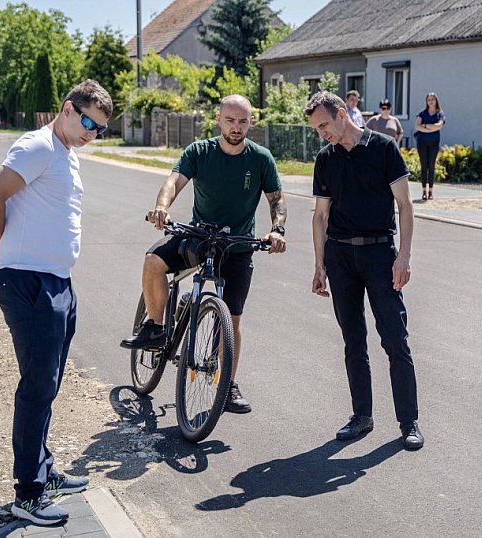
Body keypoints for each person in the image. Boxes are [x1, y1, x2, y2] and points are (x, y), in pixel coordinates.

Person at [0, 80, 113, 525]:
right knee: (37, 387)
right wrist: (0, 243)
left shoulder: (65, 153)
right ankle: (28, 494)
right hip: (29, 281)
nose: (93, 132)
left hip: (56, 281)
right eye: (89, 122)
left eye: (101, 129)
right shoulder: (38, 146)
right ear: (68, 109)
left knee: (48, 383)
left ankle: (44, 470)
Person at [120, 94, 287, 414]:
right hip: (198, 236)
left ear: (251, 121)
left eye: (242, 121)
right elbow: (173, 182)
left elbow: (276, 200)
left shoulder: (261, 158)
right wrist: (161, 207)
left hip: (238, 245)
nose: (236, 127)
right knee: (153, 261)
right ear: (218, 120)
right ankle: (155, 327)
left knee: (232, 319)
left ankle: (227, 386)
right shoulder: (199, 151)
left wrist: (277, 230)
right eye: (230, 120)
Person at [304, 91, 423, 451]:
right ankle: (362, 417)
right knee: (353, 341)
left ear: (342, 113)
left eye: (324, 125)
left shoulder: (384, 148)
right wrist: (319, 264)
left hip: (379, 255)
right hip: (341, 258)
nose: (321, 133)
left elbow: (404, 206)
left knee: (394, 339)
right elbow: (320, 216)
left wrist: (403, 256)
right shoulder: (325, 159)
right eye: (316, 129)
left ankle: (409, 421)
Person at [414, 92, 446, 201]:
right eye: (429, 99)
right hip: (422, 142)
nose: (431, 101)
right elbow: (417, 126)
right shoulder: (422, 113)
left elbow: (439, 126)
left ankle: (431, 191)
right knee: (424, 166)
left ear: (436, 101)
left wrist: (426, 125)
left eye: (433, 99)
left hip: (434, 142)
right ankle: (423, 191)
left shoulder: (439, 114)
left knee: (431, 166)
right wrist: (430, 128)